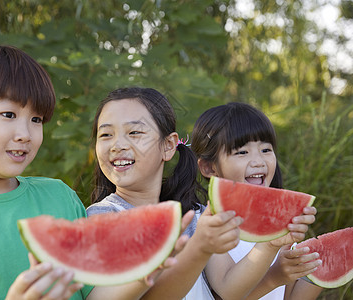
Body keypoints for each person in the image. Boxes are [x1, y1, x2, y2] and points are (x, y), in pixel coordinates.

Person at [0, 45, 191, 300]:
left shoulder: (59, 196)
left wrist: (147, 267)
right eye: (8, 115)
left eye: (36, 119)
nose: (26, 133)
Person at [87, 87, 245, 299]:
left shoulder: (194, 216)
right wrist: (194, 250)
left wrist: (272, 249)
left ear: (168, 145)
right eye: (106, 134)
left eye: (134, 132)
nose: (117, 145)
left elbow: (230, 289)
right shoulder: (101, 219)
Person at [191, 102, 323, 299]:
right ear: (209, 168)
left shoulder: (282, 221)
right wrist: (271, 251)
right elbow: (227, 291)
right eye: (242, 152)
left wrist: (318, 269)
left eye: (266, 150)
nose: (258, 161)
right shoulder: (207, 223)